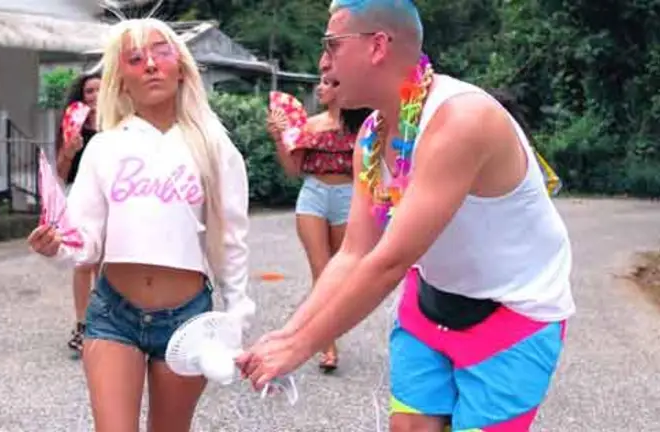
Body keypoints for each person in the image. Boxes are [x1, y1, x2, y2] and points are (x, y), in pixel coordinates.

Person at [237, 1, 574, 431]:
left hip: (513, 315)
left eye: (332, 45)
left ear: (378, 45)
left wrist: (300, 347)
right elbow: (355, 253)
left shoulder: (461, 120)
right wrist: (287, 334)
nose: (322, 61)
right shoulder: (371, 136)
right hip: (430, 302)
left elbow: (389, 261)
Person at [28, 17, 255, 432]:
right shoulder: (104, 147)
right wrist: (56, 247)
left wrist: (237, 316)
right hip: (113, 315)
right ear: (121, 80)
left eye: (161, 53)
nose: (150, 64)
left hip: (187, 321)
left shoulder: (215, 146)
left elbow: (231, 240)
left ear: (181, 67)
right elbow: (85, 242)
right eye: (134, 59)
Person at [267, 78, 371, 372]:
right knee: (320, 270)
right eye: (320, 83)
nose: (320, 88)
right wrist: (279, 138)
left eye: (328, 83)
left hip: (348, 196)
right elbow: (293, 170)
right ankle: (327, 343)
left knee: (338, 273)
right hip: (313, 194)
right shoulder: (309, 125)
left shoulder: (364, 126)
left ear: (342, 88)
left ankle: (327, 331)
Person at [54, 71, 102, 356]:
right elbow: (61, 173)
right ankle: (82, 324)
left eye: (99, 90)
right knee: (83, 261)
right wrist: (70, 150)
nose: (94, 96)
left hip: (112, 201)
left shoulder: (120, 126)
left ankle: (107, 324)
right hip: (82, 200)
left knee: (106, 265)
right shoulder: (73, 126)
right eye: (89, 92)